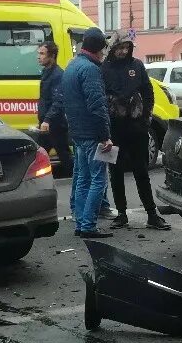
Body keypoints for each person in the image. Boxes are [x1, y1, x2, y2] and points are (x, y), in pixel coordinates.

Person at [102, 38, 170, 231]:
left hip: (136, 128)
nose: (123, 51)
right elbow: (100, 97)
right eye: (120, 48)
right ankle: (121, 214)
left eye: (126, 48)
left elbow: (148, 91)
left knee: (141, 171)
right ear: (113, 48)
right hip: (113, 130)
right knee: (115, 173)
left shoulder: (137, 65)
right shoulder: (104, 69)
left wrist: (146, 116)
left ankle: (151, 214)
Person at [58, 28, 115, 239]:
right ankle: (89, 225)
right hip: (92, 134)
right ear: (99, 49)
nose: (103, 54)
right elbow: (97, 106)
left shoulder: (71, 66)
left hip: (78, 133)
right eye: (103, 49)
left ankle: (81, 221)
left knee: (82, 178)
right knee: (98, 180)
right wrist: (105, 136)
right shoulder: (90, 70)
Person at [36, 40, 71, 170]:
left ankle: (76, 179)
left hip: (55, 125)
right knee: (39, 154)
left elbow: (58, 101)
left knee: (64, 155)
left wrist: (47, 120)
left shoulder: (57, 75)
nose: (38, 56)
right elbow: (45, 99)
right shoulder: (46, 71)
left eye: (42, 53)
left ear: (51, 56)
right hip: (47, 124)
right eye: (38, 53)